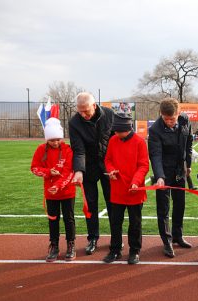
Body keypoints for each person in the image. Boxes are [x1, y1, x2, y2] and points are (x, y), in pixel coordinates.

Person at [69, 92, 114, 255]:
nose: (83, 115)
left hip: (109, 166)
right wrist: (79, 170)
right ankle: (93, 238)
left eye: (86, 111)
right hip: (88, 167)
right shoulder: (74, 122)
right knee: (91, 204)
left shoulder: (109, 115)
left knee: (113, 202)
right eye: (80, 111)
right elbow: (78, 149)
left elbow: (116, 142)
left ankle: (115, 239)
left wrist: (115, 165)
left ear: (94, 106)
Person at [148, 98, 193, 258]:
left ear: (178, 113)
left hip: (180, 170)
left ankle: (177, 236)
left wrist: (187, 165)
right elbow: (155, 155)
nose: (168, 122)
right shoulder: (154, 130)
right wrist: (159, 176)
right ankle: (167, 242)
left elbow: (189, 142)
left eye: (172, 119)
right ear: (161, 114)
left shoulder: (185, 120)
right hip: (164, 172)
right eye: (165, 119)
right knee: (164, 208)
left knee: (180, 204)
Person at [103, 113, 149, 264]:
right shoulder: (113, 140)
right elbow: (108, 159)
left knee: (135, 223)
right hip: (117, 189)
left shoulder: (140, 142)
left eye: (118, 131)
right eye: (114, 131)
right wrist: (110, 170)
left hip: (134, 190)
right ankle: (115, 250)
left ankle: (134, 251)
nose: (115, 133)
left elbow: (143, 165)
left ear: (127, 129)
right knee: (115, 221)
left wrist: (136, 182)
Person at [31, 118, 76, 262]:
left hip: (67, 192)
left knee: (69, 219)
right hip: (50, 193)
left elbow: (70, 172)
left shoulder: (68, 150)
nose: (55, 143)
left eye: (58, 139)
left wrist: (58, 186)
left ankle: (71, 244)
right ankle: (54, 245)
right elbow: (34, 168)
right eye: (52, 140)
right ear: (47, 139)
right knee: (53, 220)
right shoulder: (40, 149)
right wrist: (49, 172)